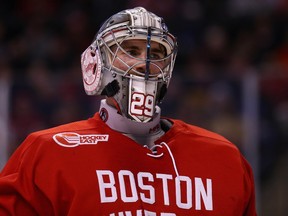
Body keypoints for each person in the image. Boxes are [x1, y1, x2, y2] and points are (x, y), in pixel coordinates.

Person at [0, 7, 257, 215]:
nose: (145, 64)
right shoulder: (46, 152)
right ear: (97, 62)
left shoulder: (224, 158)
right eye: (131, 50)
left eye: (156, 53)